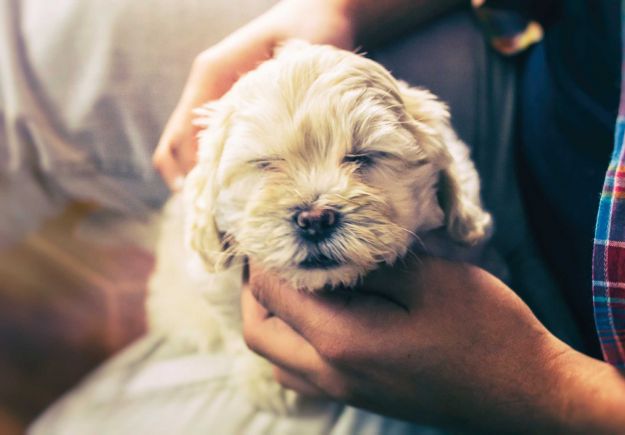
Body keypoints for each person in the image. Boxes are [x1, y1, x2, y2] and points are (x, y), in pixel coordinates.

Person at [26, 0, 624, 433]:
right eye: (267, 164)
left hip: (564, 355)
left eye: (360, 158)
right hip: (526, 76)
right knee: (43, 32)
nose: (315, 210)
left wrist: (551, 389)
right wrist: (339, 8)